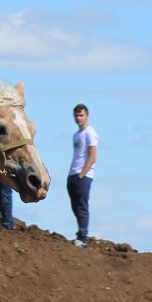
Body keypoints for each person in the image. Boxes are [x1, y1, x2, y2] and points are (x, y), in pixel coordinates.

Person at [67, 103, 97, 246]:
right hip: (73, 173)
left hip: (83, 175)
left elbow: (92, 156)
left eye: (81, 115)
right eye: (76, 115)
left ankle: (83, 237)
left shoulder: (90, 133)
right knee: (75, 206)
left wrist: (82, 174)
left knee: (82, 206)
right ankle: (80, 233)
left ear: (87, 116)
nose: (78, 118)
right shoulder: (76, 135)